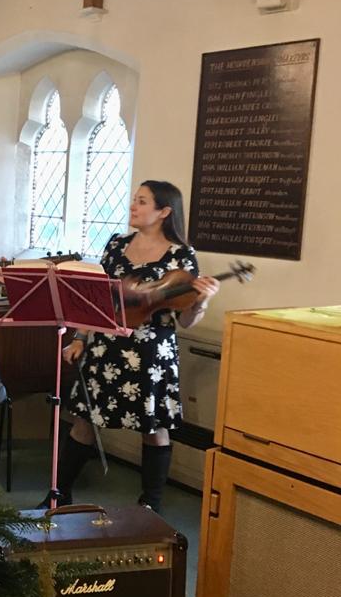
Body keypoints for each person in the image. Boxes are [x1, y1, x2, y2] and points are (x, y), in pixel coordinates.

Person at [39, 180, 220, 511]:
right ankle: (60, 494)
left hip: (152, 353)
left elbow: (186, 320)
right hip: (106, 345)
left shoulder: (182, 256)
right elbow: (97, 298)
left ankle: (149, 505)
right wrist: (80, 337)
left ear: (164, 211)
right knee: (84, 420)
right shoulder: (116, 244)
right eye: (134, 199)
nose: (133, 206)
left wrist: (202, 302)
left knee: (154, 427)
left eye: (142, 201)